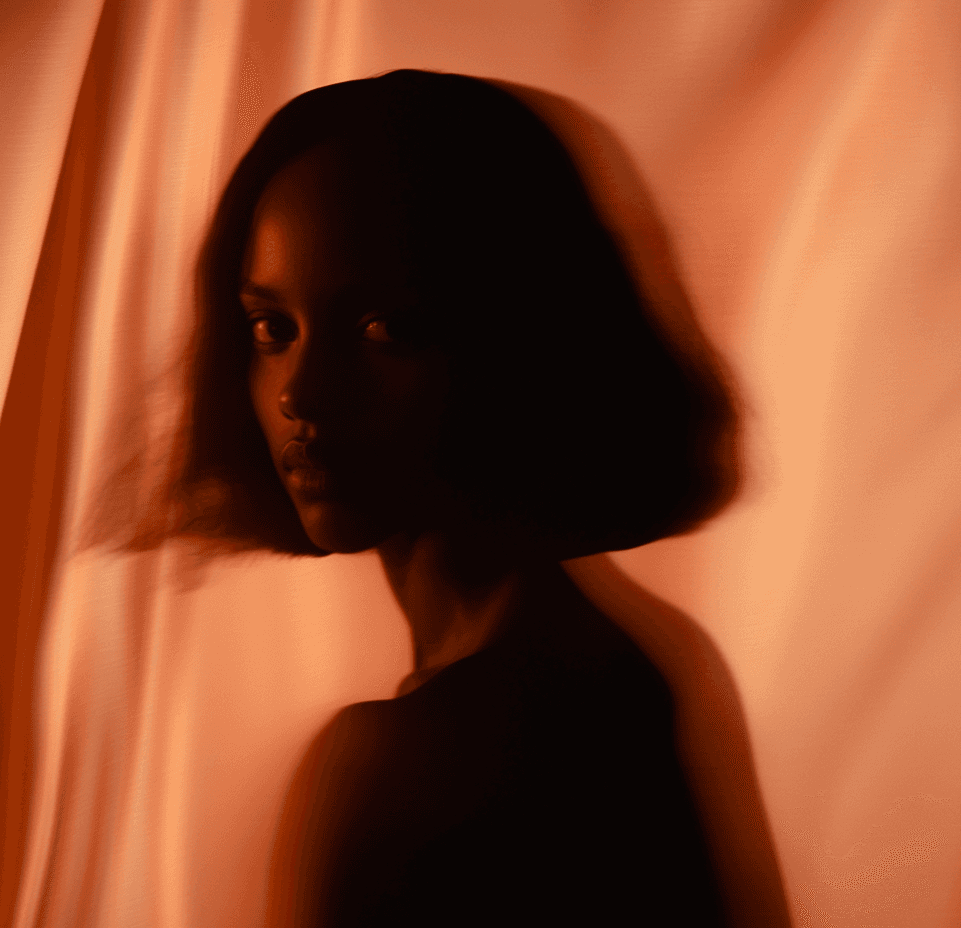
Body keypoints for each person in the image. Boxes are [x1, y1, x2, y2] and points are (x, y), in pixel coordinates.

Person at [170, 69, 741, 926]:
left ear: (524, 333)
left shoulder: (394, 761)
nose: (303, 394)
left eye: (386, 328)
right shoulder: (643, 671)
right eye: (272, 330)